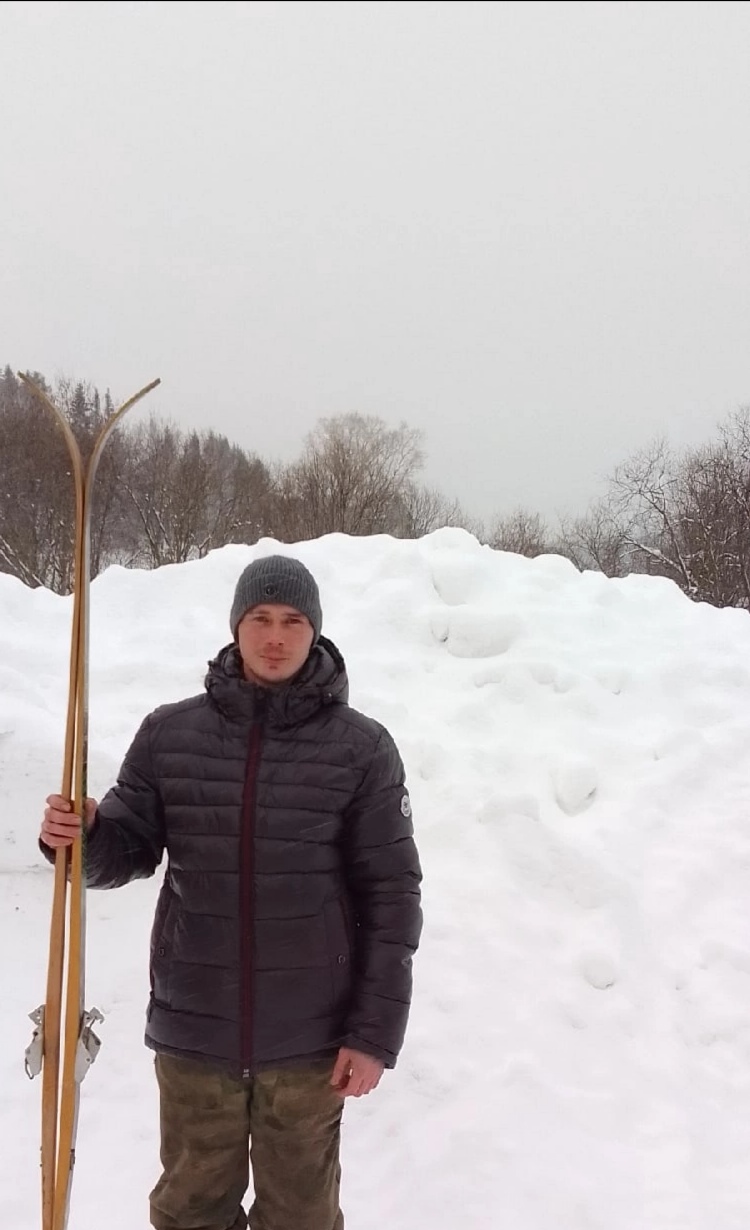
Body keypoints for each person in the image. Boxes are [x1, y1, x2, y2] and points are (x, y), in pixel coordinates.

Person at [40, 554, 422, 1230]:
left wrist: (372, 1035)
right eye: (260, 618)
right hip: (195, 1028)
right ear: (236, 626)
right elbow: (124, 851)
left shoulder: (361, 749)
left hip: (309, 1041)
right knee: (189, 1211)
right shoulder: (170, 734)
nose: (275, 637)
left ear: (315, 631)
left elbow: (391, 898)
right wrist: (85, 837)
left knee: (301, 1216)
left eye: (293, 621)